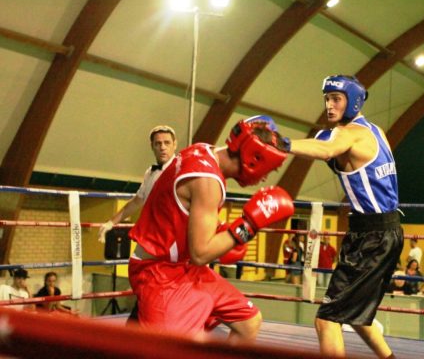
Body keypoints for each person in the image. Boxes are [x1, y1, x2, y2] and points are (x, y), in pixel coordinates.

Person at [127, 116, 294, 341]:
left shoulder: (203, 150)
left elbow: (182, 213)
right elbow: (201, 254)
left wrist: (220, 231)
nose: (264, 178)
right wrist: (248, 226)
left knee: (249, 322)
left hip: (184, 268)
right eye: (268, 170)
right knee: (174, 348)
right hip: (159, 273)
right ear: (254, 159)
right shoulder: (207, 182)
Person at [282, 75, 403, 358]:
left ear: (354, 101)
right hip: (385, 231)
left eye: (336, 99)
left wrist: (282, 143)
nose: (329, 105)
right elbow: (332, 149)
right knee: (355, 314)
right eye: (327, 99)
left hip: (372, 237)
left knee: (326, 320)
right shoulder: (376, 131)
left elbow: (326, 149)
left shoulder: (349, 135)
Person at [98, 125, 177, 243]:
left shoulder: (181, 170)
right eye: (158, 143)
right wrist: (111, 223)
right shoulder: (150, 172)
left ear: (174, 145)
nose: (162, 147)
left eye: (167, 143)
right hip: (151, 235)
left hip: (173, 237)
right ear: (152, 146)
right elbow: (137, 201)